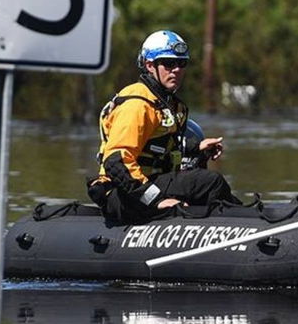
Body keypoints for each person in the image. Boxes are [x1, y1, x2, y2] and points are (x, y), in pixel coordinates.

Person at [88, 30, 239, 224]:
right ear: (150, 66)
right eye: (168, 63)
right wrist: (157, 201)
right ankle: (240, 220)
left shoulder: (165, 102)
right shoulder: (138, 104)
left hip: (149, 183)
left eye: (181, 63)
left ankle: (239, 214)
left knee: (201, 175)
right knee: (209, 182)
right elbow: (116, 161)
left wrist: (196, 148)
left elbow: (156, 148)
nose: (176, 69)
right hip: (125, 192)